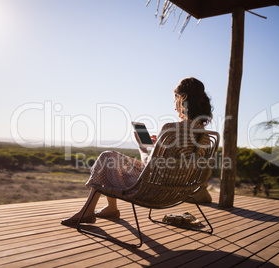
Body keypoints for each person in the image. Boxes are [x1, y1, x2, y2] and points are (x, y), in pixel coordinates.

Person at [61, 77, 213, 227]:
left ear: (183, 98)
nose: (174, 106)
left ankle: (88, 211)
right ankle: (111, 208)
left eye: (175, 99)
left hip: (153, 190)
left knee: (107, 157)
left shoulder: (170, 129)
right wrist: (158, 146)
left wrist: (142, 147)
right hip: (178, 192)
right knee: (112, 160)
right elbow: (175, 162)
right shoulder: (205, 136)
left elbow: (149, 165)